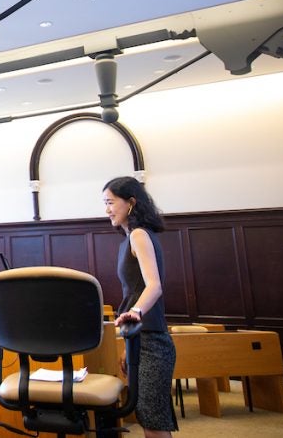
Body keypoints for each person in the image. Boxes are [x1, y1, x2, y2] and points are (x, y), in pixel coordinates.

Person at [104, 176, 177, 438]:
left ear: (131, 203)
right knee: (149, 417)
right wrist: (128, 344)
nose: (107, 209)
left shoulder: (138, 235)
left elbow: (153, 286)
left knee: (153, 422)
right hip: (141, 338)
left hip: (153, 340)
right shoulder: (128, 240)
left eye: (111, 202)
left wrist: (135, 312)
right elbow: (135, 291)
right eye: (105, 203)